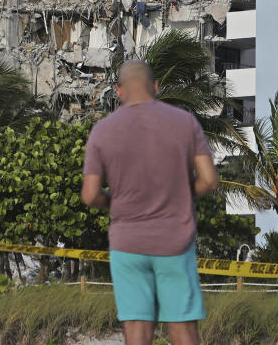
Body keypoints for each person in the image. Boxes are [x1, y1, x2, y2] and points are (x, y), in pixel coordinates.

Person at [81, 60, 219, 345]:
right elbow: (208, 180)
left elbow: (90, 194)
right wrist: (178, 194)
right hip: (175, 243)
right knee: (182, 329)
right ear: (156, 86)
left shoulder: (102, 131)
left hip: (128, 244)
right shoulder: (185, 122)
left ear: (118, 91)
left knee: (137, 331)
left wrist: (116, 202)